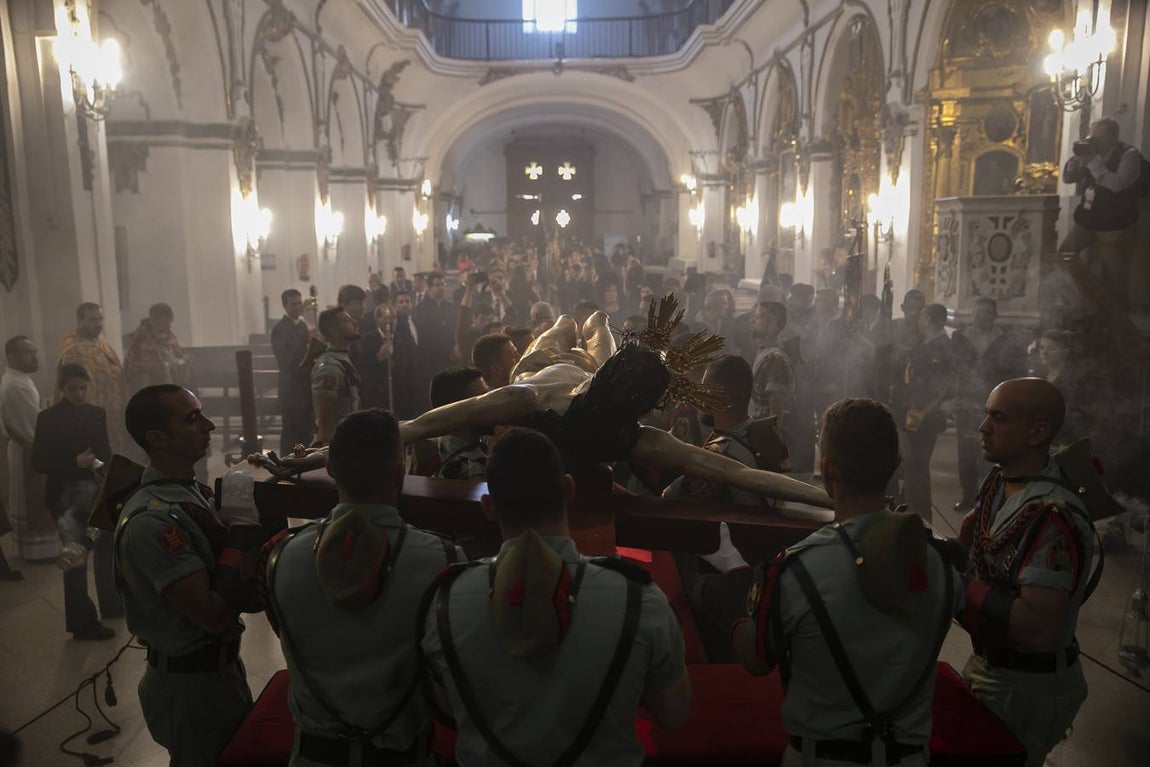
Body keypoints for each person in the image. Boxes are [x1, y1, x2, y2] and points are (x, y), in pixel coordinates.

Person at [258, 302, 833, 509]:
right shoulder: (630, 434)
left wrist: (307, 459)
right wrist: (837, 495)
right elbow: (736, 471)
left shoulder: (527, 394)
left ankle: (588, 328)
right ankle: (595, 330)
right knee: (594, 323)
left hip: (544, 367)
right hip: (576, 372)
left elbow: (408, 429)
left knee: (572, 323)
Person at [418, 428, 692, 765]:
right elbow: (672, 714)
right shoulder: (640, 598)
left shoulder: (445, 602)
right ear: (569, 490)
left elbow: (445, 706)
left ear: (488, 507)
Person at [733, 398, 963, 767]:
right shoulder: (940, 562)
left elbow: (758, 660)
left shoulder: (798, 568)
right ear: (896, 467)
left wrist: (735, 584)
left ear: (826, 469)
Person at [261, 409, 462, 767]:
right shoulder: (443, 558)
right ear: (400, 470)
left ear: (331, 468)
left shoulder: (280, 555)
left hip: (313, 757)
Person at [116, 384, 264, 767]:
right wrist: (241, 534)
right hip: (188, 687)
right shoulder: (153, 520)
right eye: (192, 418)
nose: (210, 425)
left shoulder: (189, 494)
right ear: (157, 437)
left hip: (220, 672)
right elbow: (213, 615)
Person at [956, 378, 1096, 767]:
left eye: (998, 418)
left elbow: (1039, 627)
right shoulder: (1002, 480)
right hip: (993, 668)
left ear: (1037, 433)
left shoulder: (1054, 516)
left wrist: (957, 584)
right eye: (986, 415)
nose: (983, 428)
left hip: (1025, 689)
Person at [31, 363, 121, 639]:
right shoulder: (48, 418)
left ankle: (112, 603)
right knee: (75, 556)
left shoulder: (96, 413)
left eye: (83, 388)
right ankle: (82, 622)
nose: (80, 394)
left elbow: (105, 449)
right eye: (73, 389)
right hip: (64, 496)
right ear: (62, 388)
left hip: (94, 491)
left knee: (105, 548)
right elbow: (38, 462)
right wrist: (74, 462)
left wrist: (101, 466)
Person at [1057, 117, 1146, 306]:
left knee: (1114, 277)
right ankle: (1077, 301)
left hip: (1115, 224)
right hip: (1088, 220)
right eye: (1092, 137)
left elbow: (1117, 184)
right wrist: (1076, 160)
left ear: (1113, 137)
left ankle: (1118, 323)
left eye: (1099, 138)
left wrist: (1093, 163)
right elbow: (1068, 179)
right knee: (1064, 256)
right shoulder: (1092, 153)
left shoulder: (1129, 155)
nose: (1094, 142)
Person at [950, 298, 1025, 510]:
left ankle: (988, 495)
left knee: (991, 449)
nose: (982, 316)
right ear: (972, 314)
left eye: (987, 313)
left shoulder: (1005, 340)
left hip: (995, 403)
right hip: (966, 401)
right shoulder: (960, 338)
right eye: (979, 312)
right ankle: (967, 494)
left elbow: (1013, 371)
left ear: (995, 315)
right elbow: (954, 369)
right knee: (965, 451)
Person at [892, 304, 953, 523]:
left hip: (921, 416)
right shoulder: (924, 342)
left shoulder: (942, 346)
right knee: (909, 468)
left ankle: (920, 520)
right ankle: (909, 511)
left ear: (927, 319)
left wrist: (922, 411)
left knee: (916, 469)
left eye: (922, 316)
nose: (918, 319)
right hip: (908, 411)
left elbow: (939, 385)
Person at [1, 336, 59, 561]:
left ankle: (35, 550)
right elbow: (33, 429)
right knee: (35, 501)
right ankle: (40, 552)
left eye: (35, 351)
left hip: (23, 447)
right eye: (28, 353)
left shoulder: (18, 378)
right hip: (29, 450)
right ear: (12, 356)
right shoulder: (17, 385)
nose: (35, 357)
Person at [57, 302, 132, 456]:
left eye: (100, 319)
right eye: (92, 319)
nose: (98, 323)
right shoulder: (73, 350)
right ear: (80, 321)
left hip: (113, 416)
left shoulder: (103, 344)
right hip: (90, 418)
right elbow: (71, 388)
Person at [271, 289, 315, 453]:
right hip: (291, 387)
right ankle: (287, 465)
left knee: (307, 429)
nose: (297, 308)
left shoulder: (303, 326)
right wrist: (306, 347)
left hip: (305, 385)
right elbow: (285, 360)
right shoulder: (280, 329)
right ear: (284, 305)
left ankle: (305, 462)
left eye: (299, 304)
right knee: (291, 430)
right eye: (293, 304)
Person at [429, 367, 490, 482]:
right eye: (482, 400)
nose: (491, 405)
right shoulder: (470, 470)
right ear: (456, 412)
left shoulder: (437, 442)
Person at [311, 307, 361, 446]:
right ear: (333, 330)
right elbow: (325, 420)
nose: (354, 323)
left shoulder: (342, 357)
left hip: (348, 436)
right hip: (338, 442)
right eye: (347, 321)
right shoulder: (330, 367)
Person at [125, 303, 190, 393]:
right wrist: (166, 364)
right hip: (149, 387)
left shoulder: (168, 333)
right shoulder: (141, 338)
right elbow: (135, 364)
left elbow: (178, 352)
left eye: (169, 322)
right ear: (153, 321)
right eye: (165, 322)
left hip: (171, 384)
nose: (168, 326)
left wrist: (182, 359)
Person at [749, 302, 795, 421]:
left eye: (758, 317)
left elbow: (776, 412)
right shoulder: (763, 353)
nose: (752, 321)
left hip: (764, 432)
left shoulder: (776, 359)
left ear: (772, 324)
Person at [414, 272, 458, 374]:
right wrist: (449, 349)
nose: (441, 287)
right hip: (433, 359)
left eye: (443, 284)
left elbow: (454, 328)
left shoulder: (449, 306)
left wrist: (456, 345)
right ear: (429, 287)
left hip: (451, 358)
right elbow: (428, 335)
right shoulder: (421, 309)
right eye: (437, 285)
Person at [391, 292, 425, 418]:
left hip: (417, 372)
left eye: (407, 301)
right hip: (402, 375)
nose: (405, 305)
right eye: (401, 302)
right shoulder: (395, 325)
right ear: (395, 304)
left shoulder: (416, 321)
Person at [358, 303, 397, 410]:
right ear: (377, 320)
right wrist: (379, 357)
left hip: (399, 391)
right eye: (386, 317)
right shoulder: (366, 340)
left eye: (394, 317)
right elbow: (362, 366)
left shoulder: (403, 339)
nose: (391, 321)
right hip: (376, 392)